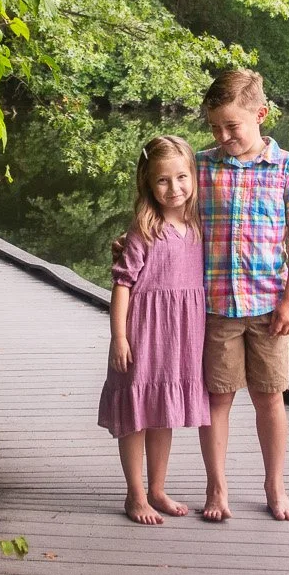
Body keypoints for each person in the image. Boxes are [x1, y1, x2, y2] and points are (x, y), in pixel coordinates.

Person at [195, 69, 289, 522]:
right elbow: (167, 212)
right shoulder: (203, 167)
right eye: (215, 127)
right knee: (218, 398)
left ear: (260, 114)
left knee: (270, 396)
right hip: (217, 307)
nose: (223, 135)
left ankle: (275, 485)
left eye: (232, 126)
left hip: (269, 308)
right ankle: (217, 487)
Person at [96, 134, 211, 525]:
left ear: (194, 177)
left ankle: (158, 488)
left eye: (182, 177)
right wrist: (119, 337)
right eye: (163, 180)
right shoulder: (144, 228)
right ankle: (136, 494)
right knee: (137, 412)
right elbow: (123, 285)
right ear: (147, 182)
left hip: (183, 333)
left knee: (163, 411)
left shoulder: (198, 224)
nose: (174, 188)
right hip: (144, 333)